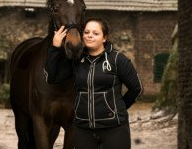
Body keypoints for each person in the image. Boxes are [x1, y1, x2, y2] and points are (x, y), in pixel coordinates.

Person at [45, 17, 143, 149]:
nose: (90, 36)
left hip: (114, 129)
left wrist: (118, 108)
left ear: (104, 38)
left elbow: (137, 88)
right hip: (83, 129)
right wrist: (55, 48)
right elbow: (52, 78)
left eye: (95, 33)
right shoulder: (75, 61)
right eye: (86, 32)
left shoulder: (118, 59)